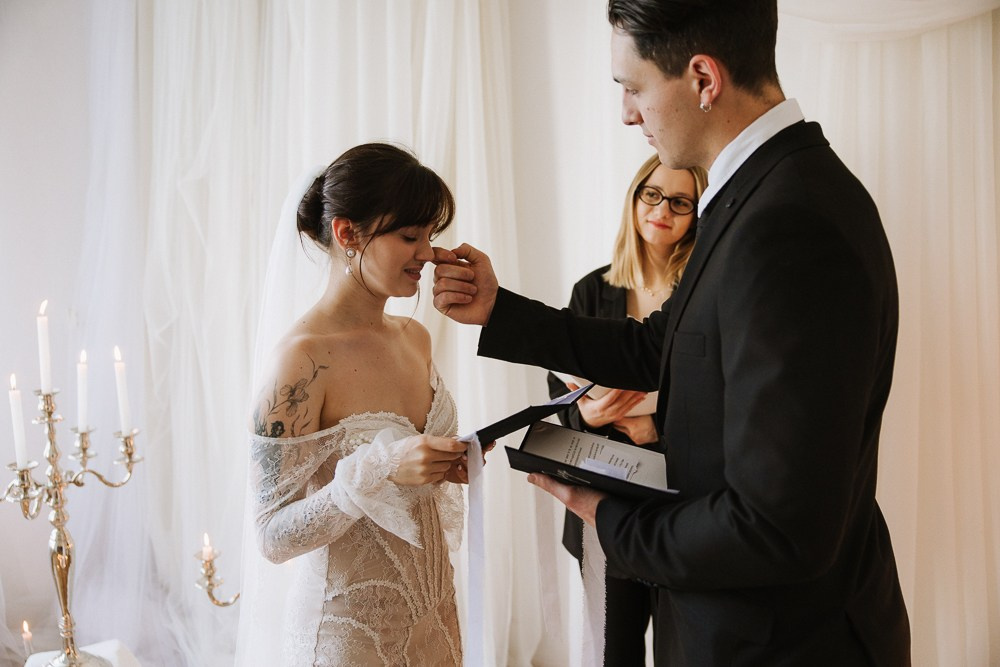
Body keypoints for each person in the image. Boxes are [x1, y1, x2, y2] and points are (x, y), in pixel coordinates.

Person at [432, 1, 911, 664]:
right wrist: (498, 309)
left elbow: (777, 528)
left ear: (703, 79)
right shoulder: (759, 191)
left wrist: (609, 514)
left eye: (632, 88)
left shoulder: (789, 224)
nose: (627, 113)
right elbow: (663, 343)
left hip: (777, 641)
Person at [246, 143, 468, 666]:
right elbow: (271, 537)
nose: (429, 253)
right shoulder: (301, 361)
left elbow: (417, 484)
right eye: (410, 236)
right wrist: (380, 467)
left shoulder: (415, 337)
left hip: (436, 615)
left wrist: (446, 461)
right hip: (349, 633)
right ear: (347, 234)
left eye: (430, 237)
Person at [547, 155, 706, 665]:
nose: (663, 209)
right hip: (605, 493)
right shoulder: (591, 291)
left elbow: (727, 394)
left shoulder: (704, 294)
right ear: (635, 199)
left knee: (686, 643)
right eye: (652, 194)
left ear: (698, 213)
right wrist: (588, 417)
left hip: (685, 492)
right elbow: (560, 393)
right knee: (613, 646)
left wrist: (654, 423)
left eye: (681, 201)